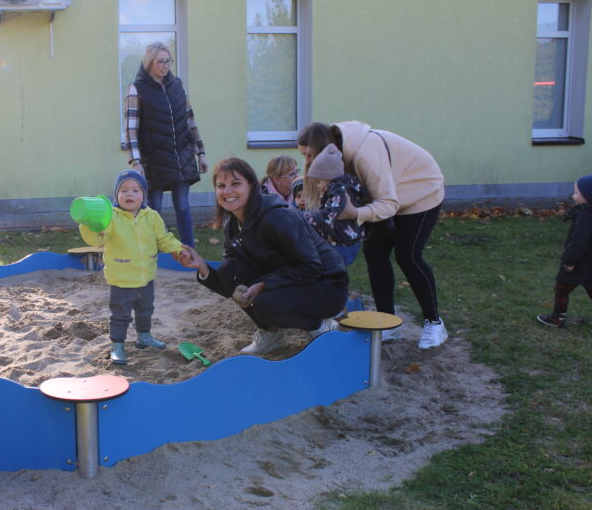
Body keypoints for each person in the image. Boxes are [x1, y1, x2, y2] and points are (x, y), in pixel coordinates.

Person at [298, 121, 447, 349]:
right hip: (387, 192)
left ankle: (434, 323)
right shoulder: (335, 155)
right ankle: (388, 324)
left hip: (420, 191)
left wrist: (355, 213)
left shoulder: (365, 155)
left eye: (309, 155)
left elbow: (388, 203)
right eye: (303, 156)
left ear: (323, 147)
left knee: (408, 256)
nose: (306, 162)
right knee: (375, 253)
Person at [179, 158, 348, 356]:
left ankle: (321, 326)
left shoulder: (277, 217)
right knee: (230, 271)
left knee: (264, 304)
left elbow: (311, 267)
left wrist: (263, 284)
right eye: (221, 186)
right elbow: (228, 281)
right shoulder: (232, 225)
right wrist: (201, 266)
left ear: (251, 186)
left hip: (326, 286)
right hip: (292, 279)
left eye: (235, 184)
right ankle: (271, 334)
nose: (227, 191)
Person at [77, 169, 187, 365]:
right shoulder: (111, 217)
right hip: (121, 279)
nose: (130, 194)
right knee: (120, 315)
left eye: (136, 190)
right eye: (124, 190)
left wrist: (178, 249)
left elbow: (163, 238)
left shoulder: (152, 216)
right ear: (116, 196)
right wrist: (90, 224)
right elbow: (96, 239)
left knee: (146, 310)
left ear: (144, 195)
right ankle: (117, 346)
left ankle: (144, 336)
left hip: (146, 278)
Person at [123, 41, 207, 248]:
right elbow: (130, 128)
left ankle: (189, 250)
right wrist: (136, 161)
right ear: (149, 62)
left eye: (167, 61)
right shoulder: (136, 89)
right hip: (153, 159)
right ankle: (152, 251)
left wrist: (201, 152)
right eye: (160, 61)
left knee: (183, 206)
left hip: (181, 157)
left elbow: (190, 120)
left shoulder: (177, 86)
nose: (164, 65)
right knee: (154, 209)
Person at [536, 174, 592, 339]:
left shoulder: (585, 216)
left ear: (589, 196)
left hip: (584, 262)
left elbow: (578, 241)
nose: (573, 195)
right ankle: (559, 318)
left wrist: (569, 260)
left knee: (588, 292)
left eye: (576, 192)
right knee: (570, 288)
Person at [301, 144, 366, 266]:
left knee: (334, 271)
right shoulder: (338, 188)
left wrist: (308, 218)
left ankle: (336, 285)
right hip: (342, 240)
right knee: (332, 270)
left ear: (328, 177)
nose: (318, 186)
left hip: (344, 242)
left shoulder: (338, 191)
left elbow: (330, 214)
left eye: (318, 182)